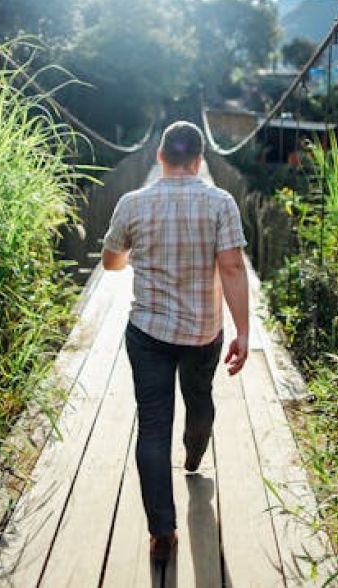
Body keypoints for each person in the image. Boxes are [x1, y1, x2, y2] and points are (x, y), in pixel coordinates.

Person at [101, 120, 249, 564]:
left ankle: (161, 532)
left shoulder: (132, 203)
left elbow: (110, 264)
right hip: (204, 331)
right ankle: (194, 454)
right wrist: (243, 332)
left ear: (159, 157)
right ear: (200, 161)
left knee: (152, 426)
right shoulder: (221, 202)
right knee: (199, 398)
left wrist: (135, 250)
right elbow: (233, 268)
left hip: (148, 333)